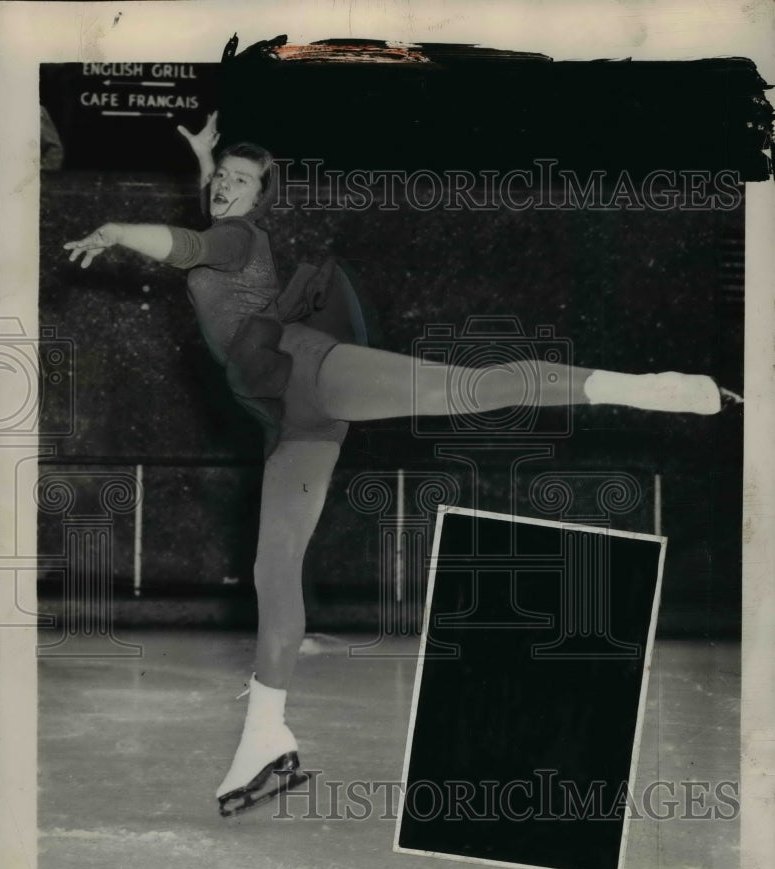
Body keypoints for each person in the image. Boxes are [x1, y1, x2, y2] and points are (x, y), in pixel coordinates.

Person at [64, 112, 742, 818]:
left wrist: (115, 231)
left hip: (309, 371)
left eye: (240, 182)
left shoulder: (235, 238)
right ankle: (266, 735)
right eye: (222, 181)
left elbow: (187, 242)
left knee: (462, 388)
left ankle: (634, 387)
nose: (223, 189)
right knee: (273, 567)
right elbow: (212, 210)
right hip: (284, 418)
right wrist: (207, 161)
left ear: (259, 200)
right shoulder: (227, 216)